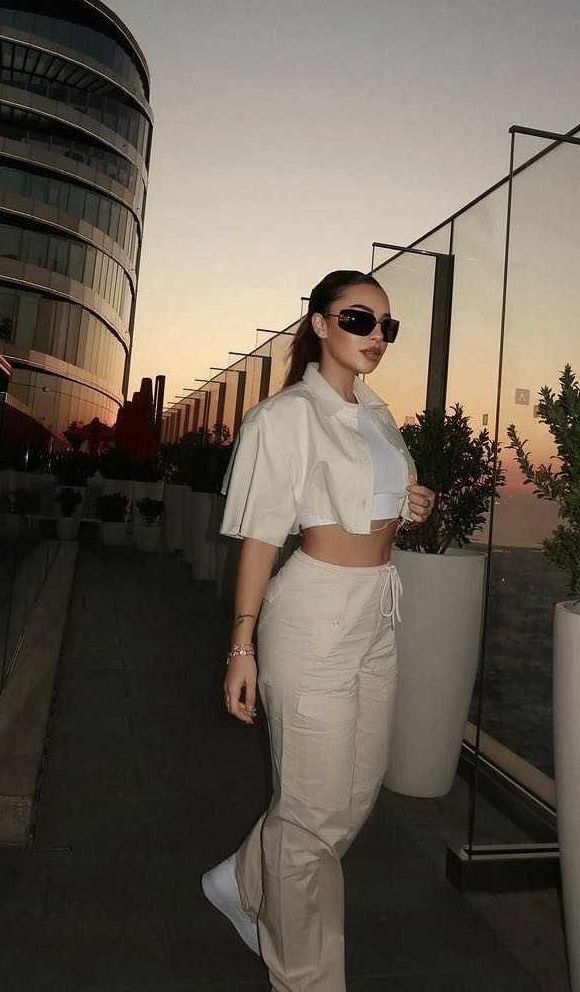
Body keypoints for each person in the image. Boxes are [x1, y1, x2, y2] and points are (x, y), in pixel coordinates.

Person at [201, 269, 435, 992]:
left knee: (352, 795)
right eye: (359, 319)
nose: (377, 336)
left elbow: (370, 502)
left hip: (377, 612)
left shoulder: (379, 414)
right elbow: (262, 537)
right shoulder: (284, 416)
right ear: (321, 323)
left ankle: (245, 880)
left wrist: (411, 505)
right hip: (313, 615)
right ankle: (304, 976)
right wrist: (241, 645)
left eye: (387, 326)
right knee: (308, 822)